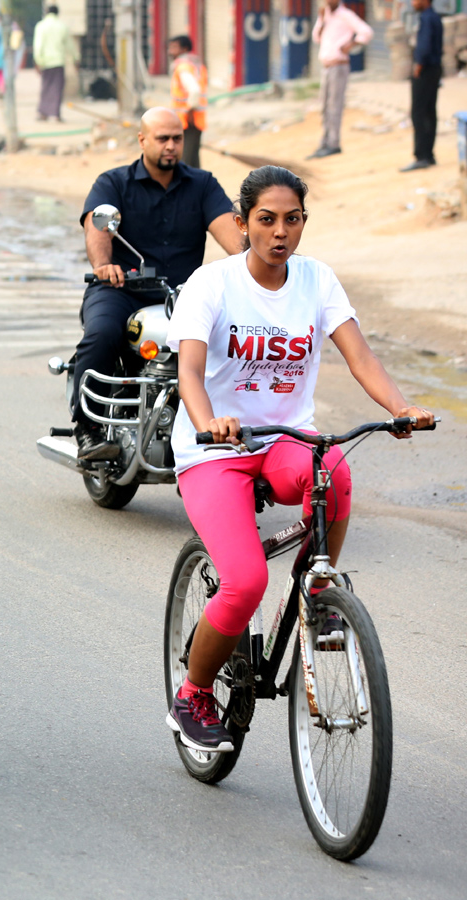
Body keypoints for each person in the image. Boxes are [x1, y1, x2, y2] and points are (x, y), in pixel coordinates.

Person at [163, 165, 434, 752]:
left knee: (333, 472)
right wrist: (210, 420)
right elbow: (187, 370)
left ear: (304, 222)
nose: (279, 232)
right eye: (266, 220)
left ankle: (316, 592)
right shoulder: (212, 284)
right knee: (243, 583)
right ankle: (193, 692)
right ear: (241, 224)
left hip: (285, 438)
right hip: (215, 449)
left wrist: (401, 407)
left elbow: (359, 355)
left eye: (292, 220)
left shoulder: (316, 280)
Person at [76, 107, 243, 461]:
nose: (171, 146)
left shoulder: (202, 184)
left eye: (177, 138)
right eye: (162, 138)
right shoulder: (113, 182)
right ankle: (87, 429)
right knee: (102, 334)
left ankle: (221, 434)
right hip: (120, 289)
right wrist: (104, 266)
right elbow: (97, 225)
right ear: (142, 140)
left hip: (183, 297)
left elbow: (231, 231)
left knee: (233, 342)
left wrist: (257, 263)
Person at [308, 0, 373, 160]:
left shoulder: (346, 15)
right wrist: (322, 20)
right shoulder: (325, 15)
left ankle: (333, 144)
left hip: (339, 66)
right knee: (324, 106)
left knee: (334, 106)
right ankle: (324, 142)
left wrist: (351, 44)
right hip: (326, 67)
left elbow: (366, 32)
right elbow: (316, 37)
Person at [401, 0, 443, 172]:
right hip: (433, 70)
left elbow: (424, 47)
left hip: (424, 71)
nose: (413, 2)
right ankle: (429, 155)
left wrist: (418, 67)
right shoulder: (434, 17)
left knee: (419, 113)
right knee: (429, 112)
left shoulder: (426, 18)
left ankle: (422, 156)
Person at [168, 34, 206, 168]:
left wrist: (190, 110)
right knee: (193, 161)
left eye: (174, 48)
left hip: (188, 121)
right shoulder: (195, 64)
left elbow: (194, 90)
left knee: (185, 162)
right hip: (194, 121)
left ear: (184, 49)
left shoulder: (183, 67)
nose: (170, 51)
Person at [33, 5, 72, 122]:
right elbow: (70, 45)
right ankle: (55, 114)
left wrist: (38, 61)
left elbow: (38, 45)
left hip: (46, 62)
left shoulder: (41, 26)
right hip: (58, 61)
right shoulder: (62, 26)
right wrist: (76, 58)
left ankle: (43, 113)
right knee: (57, 88)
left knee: (46, 87)